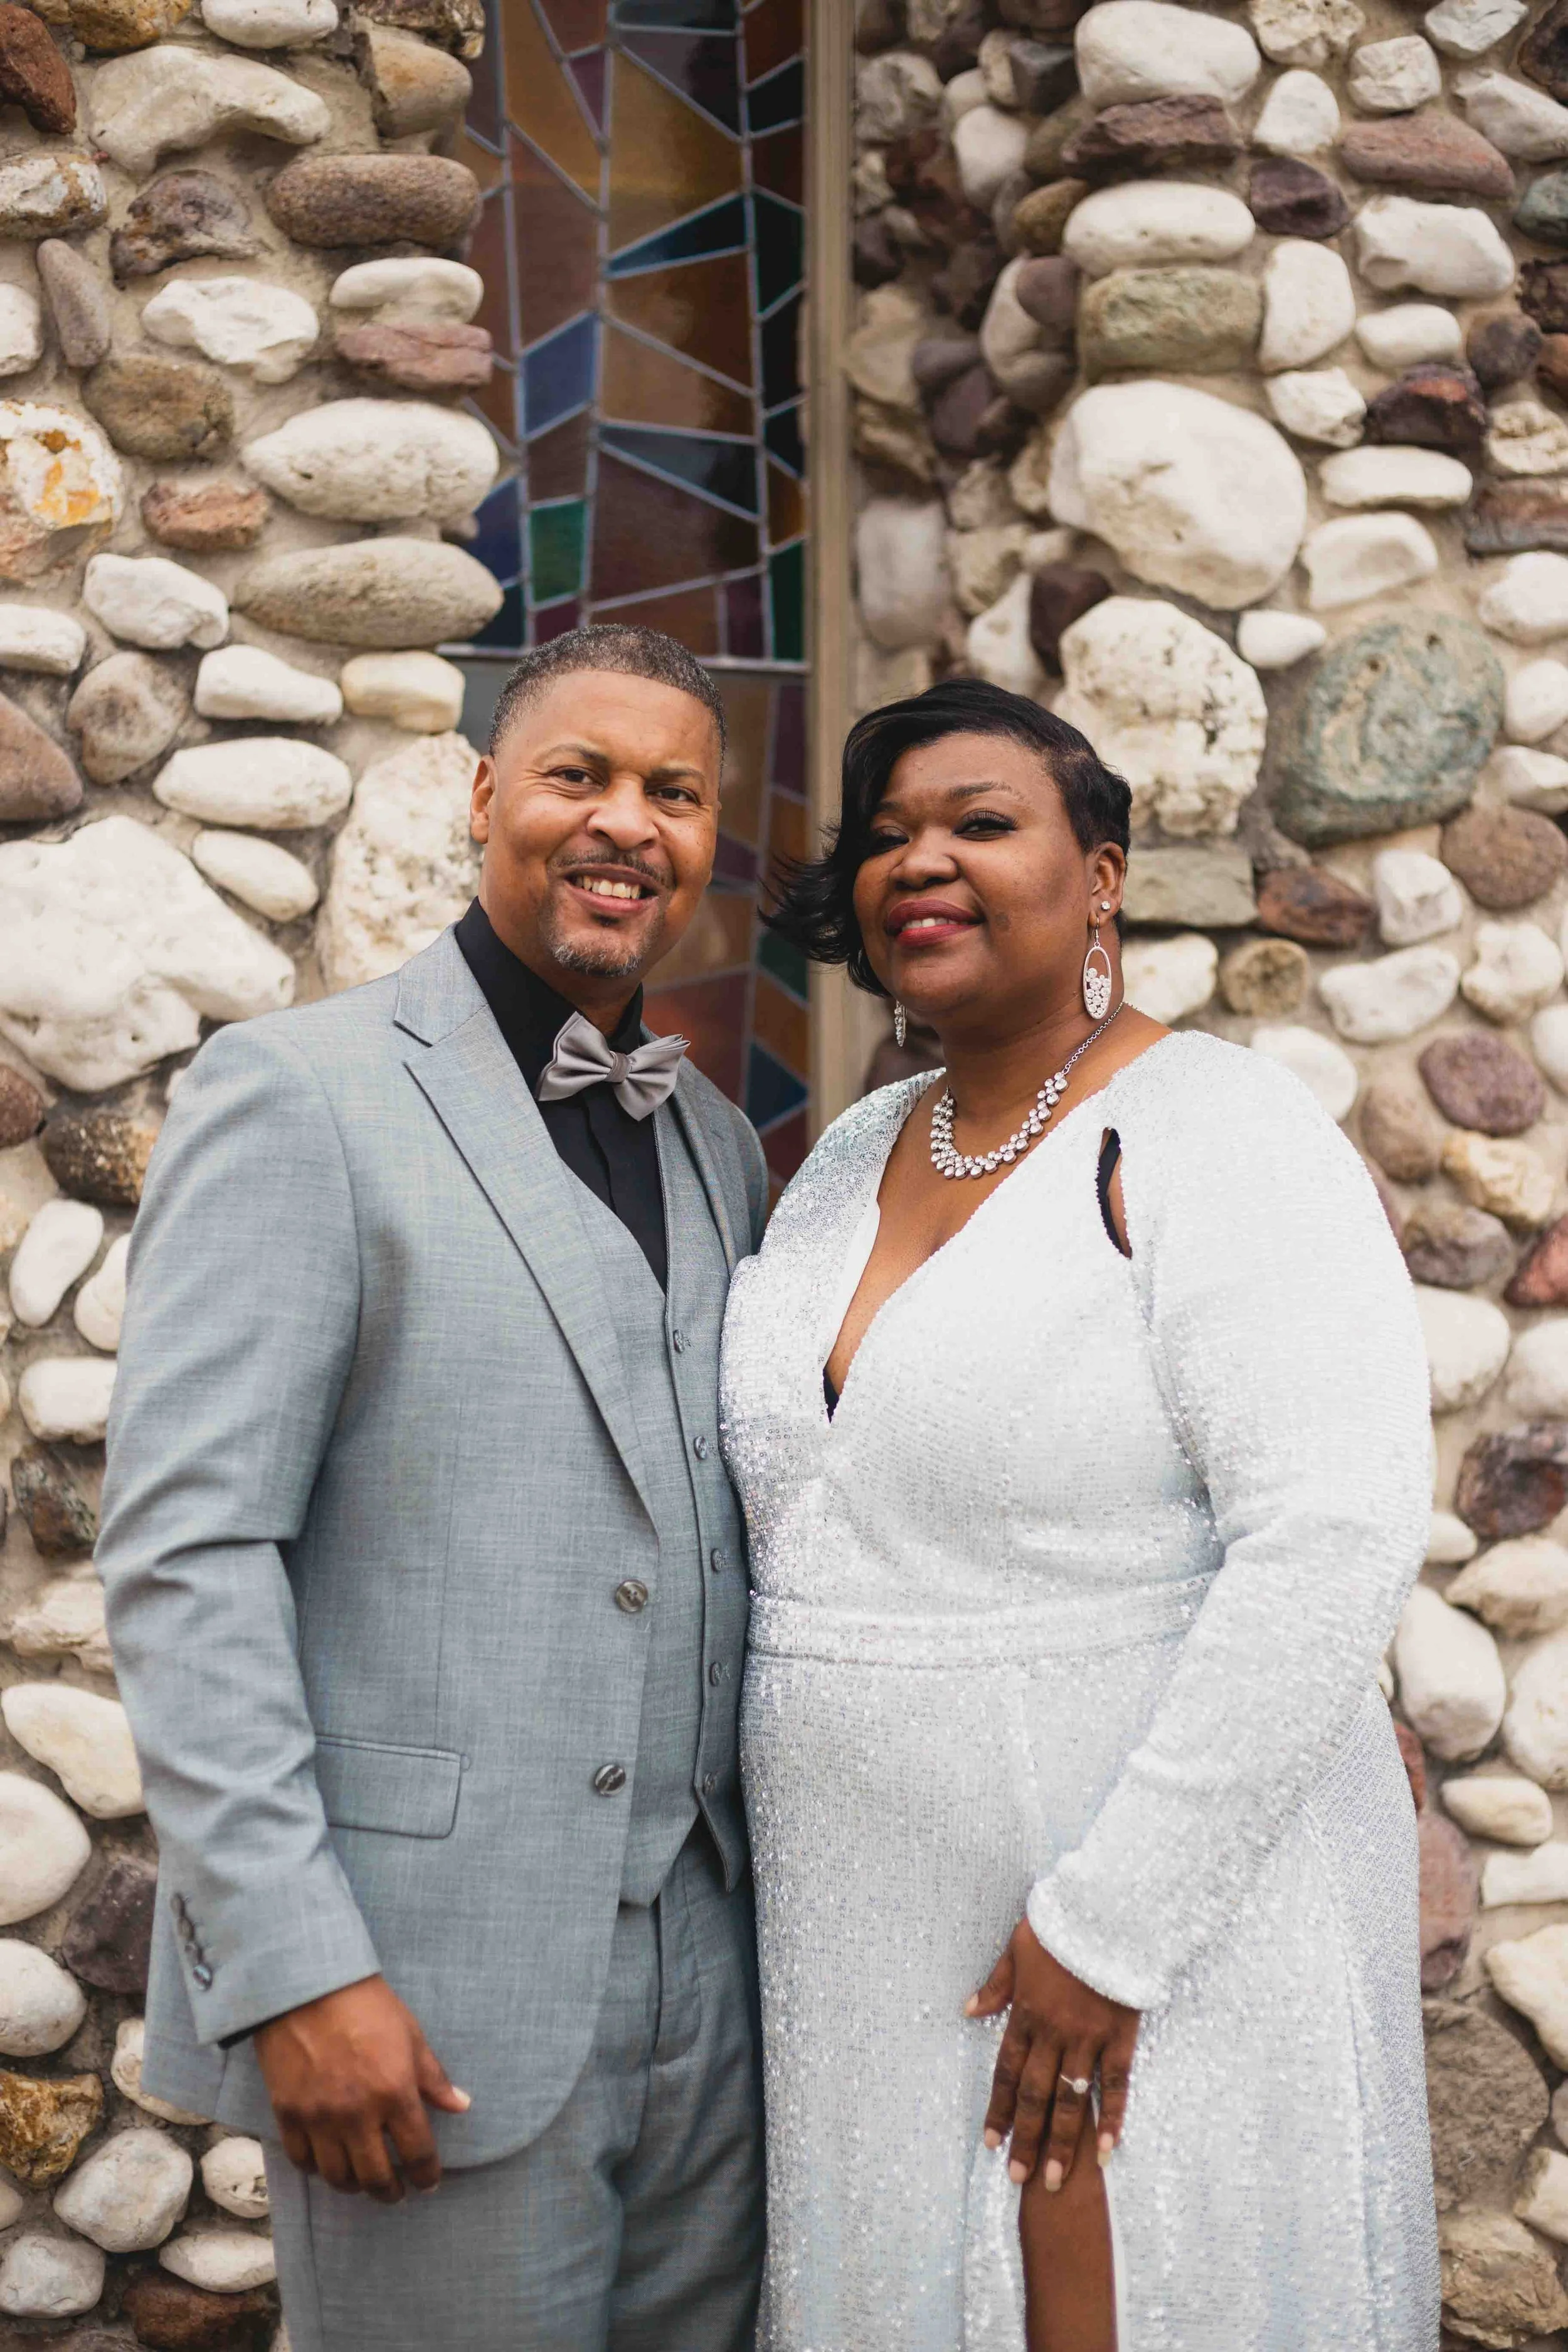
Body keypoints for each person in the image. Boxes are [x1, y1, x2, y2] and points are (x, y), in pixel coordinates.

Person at [719, 675, 1438, 2352]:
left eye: (979, 823)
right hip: (862, 1927)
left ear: (1098, 873)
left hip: (1129, 1922)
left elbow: (1330, 1535)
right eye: (887, 834)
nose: (922, 861)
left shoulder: (1217, 1132)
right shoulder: (850, 1155)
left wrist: (1109, 1925)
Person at [98, 625, 770, 2352]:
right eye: (580, 775)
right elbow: (188, 1554)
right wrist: (297, 1967)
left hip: (716, 1981)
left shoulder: (713, 1143)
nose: (627, 823)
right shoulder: (296, 1094)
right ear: (485, 798)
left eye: (674, 793)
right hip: (418, 1977)